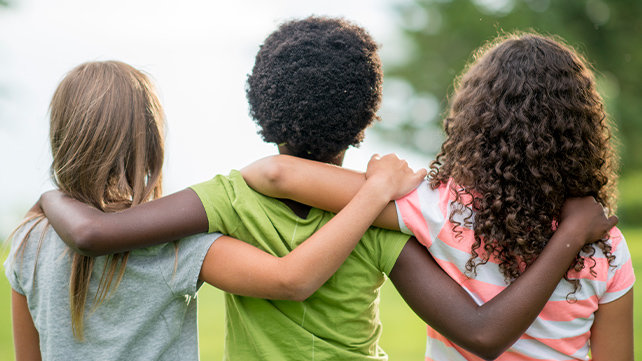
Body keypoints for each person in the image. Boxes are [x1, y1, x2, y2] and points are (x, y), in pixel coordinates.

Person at [36, 21, 618, 360]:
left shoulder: (234, 198)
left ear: (259, 105)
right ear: (368, 116)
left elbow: (97, 232)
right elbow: (478, 330)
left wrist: (50, 198)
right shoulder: (385, 213)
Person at [240, 33, 635, 360]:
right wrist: (573, 232)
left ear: (475, 124)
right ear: (582, 134)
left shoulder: (439, 208)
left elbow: (277, 173)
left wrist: (380, 184)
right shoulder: (608, 247)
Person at [4, 60, 427, 361]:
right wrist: (374, 192)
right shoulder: (175, 248)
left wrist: (49, 197)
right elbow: (292, 279)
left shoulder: (26, 242)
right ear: (150, 143)